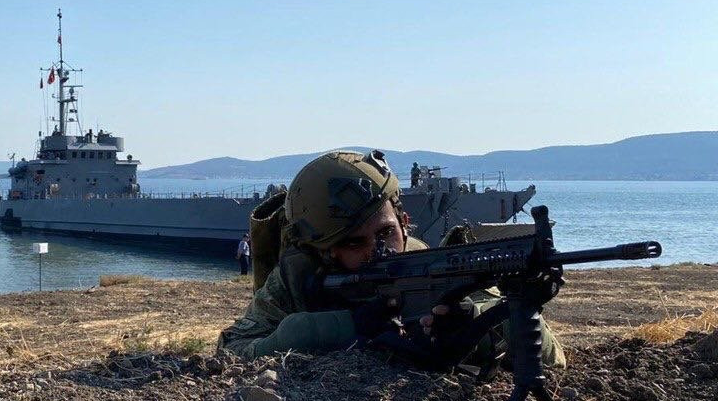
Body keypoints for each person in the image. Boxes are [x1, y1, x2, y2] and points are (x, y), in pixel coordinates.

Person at [219, 149, 564, 368]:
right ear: (325, 252)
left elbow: (553, 360)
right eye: (355, 244)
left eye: (385, 233)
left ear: (404, 221)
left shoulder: (429, 267)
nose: (377, 252)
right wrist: (340, 328)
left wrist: (476, 326)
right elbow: (231, 352)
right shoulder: (298, 277)